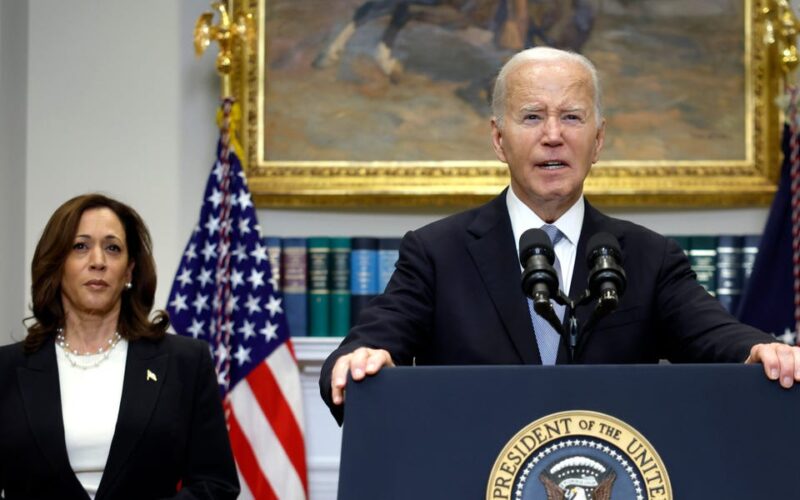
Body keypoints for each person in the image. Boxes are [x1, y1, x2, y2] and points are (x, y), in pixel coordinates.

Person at [319, 47, 800, 425]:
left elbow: (716, 335)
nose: (553, 135)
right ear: (499, 138)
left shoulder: (648, 256)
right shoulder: (436, 253)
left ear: (599, 139)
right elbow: (368, 345)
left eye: (572, 116)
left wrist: (760, 350)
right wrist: (359, 361)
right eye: (532, 116)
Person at [0, 194, 239, 499]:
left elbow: (216, 484)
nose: (98, 261)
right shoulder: (6, 369)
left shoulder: (186, 362)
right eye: (80, 246)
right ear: (57, 264)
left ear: (129, 271)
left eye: (112, 248)